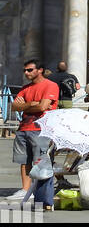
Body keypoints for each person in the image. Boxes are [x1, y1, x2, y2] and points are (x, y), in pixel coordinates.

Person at [8, 60, 59, 202]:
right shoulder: (25, 88)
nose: (26, 73)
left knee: (40, 160)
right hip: (24, 127)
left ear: (40, 70)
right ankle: (25, 190)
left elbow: (42, 107)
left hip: (41, 129)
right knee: (24, 160)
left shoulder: (50, 86)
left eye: (30, 70)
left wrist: (24, 106)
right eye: (25, 70)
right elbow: (14, 107)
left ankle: (39, 191)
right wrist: (30, 104)